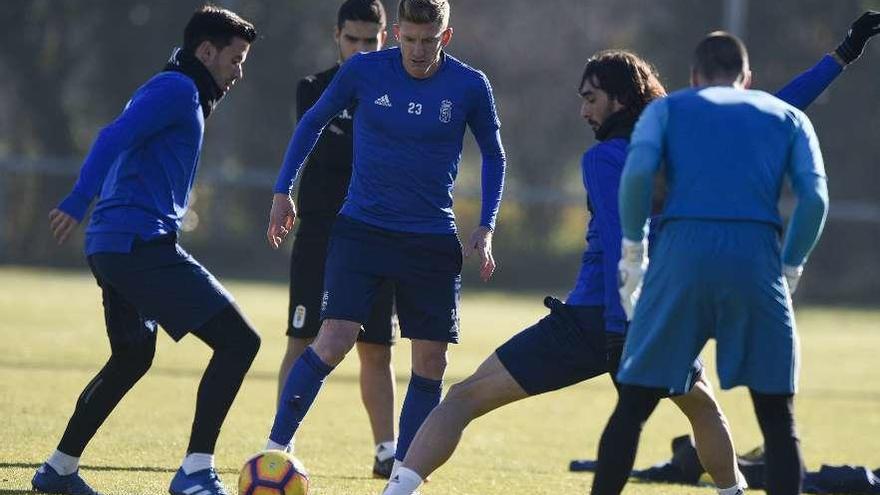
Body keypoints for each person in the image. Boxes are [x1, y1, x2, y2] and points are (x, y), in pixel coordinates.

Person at [379, 9, 880, 492]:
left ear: (618, 99)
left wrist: (622, 327)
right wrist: (841, 56)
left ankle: (397, 491)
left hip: (599, 319)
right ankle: (732, 493)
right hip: (659, 316)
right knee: (706, 410)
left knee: (463, 398)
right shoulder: (679, 140)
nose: (583, 110)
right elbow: (781, 107)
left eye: (590, 98)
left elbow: (625, 238)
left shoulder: (606, 157)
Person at [264, 0, 506, 479]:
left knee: (431, 360)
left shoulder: (470, 85)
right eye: (410, 39)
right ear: (396, 32)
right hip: (362, 231)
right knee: (332, 338)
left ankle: (401, 477)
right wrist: (281, 190)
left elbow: (495, 156)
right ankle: (273, 450)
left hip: (430, 239)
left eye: (428, 40)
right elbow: (312, 122)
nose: (418, 51)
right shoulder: (363, 72)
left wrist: (486, 224)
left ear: (446, 36)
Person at [591, 32, 829, 495]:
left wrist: (633, 253)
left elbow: (637, 176)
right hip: (757, 259)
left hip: (681, 257)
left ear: (695, 77)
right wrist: (791, 266)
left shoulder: (667, 110)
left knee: (633, 407)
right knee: (778, 420)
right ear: (747, 79)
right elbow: (815, 200)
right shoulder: (788, 117)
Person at [33, 6, 258, 495]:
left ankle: (58, 469)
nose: (239, 71)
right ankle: (196, 472)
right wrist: (77, 199)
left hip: (116, 245)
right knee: (241, 342)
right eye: (235, 59)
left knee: (133, 356)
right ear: (206, 51)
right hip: (137, 243)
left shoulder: (185, 89)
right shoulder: (176, 88)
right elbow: (111, 136)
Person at [277, 0, 399, 478]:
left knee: (376, 348)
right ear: (337, 36)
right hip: (322, 233)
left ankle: (386, 450)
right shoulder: (314, 89)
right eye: (353, 40)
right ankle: (281, 446)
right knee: (303, 337)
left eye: (371, 40)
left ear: (384, 37)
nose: (362, 49)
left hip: (379, 234)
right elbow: (331, 145)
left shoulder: (401, 89)